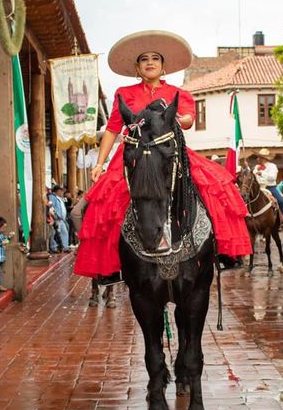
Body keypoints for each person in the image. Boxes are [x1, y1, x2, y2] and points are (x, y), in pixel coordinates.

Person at [74, 30, 251, 279]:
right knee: (108, 202)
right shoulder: (124, 94)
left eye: (155, 58)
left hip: (170, 155)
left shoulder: (178, 94)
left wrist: (183, 117)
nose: (149, 62)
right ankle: (113, 267)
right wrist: (100, 163)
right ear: (137, 66)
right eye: (144, 59)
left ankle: (222, 252)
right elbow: (113, 128)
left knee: (215, 187)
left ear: (162, 65)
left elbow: (188, 120)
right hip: (134, 157)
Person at [253, 149, 283, 226]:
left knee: (281, 201)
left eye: (259, 157)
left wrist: (261, 173)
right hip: (259, 188)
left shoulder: (272, 166)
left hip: (270, 188)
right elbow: (253, 175)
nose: (257, 159)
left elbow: (273, 178)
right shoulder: (256, 167)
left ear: (264, 158)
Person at [48, 185, 70, 253]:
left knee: (64, 232)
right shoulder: (52, 197)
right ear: (57, 191)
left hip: (61, 219)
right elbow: (52, 207)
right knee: (54, 233)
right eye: (61, 190)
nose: (62, 192)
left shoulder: (60, 198)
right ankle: (54, 247)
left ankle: (65, 247)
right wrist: (54, 215)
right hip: (56, 218)